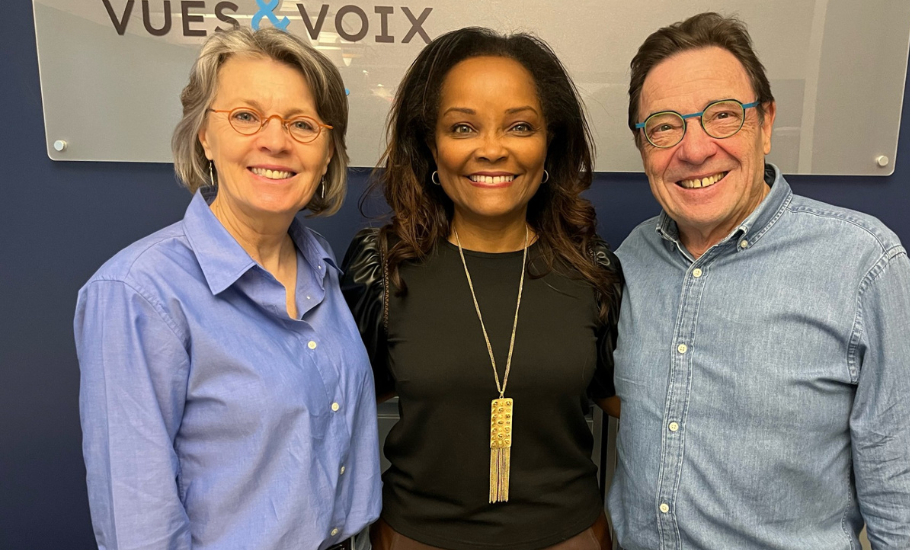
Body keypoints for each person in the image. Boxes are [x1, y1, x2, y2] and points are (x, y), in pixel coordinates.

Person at [607, 12, 910, 550]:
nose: (694, 150)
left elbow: (907, 494)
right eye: (664, 127)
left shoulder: (863, 263)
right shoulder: (634, 258)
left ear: (765, 124)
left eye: (722, 116)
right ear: (643, 146)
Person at [74, 28, 380, 550]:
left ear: (328, 153)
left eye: (302, 124)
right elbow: (137, 524)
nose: (276, 141)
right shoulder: (139, 293)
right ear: (204, 136)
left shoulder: (324, 269)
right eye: (245, 116)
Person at [340, 27, 622, 550]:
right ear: (431, 144)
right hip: (414, 539)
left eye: (519, 126)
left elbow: (629, 403)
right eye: (463, 128)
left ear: (550, 142)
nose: (492, 150)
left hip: (570, 538)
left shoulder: (592, 266)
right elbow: (339, 404)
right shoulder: (382, 265)